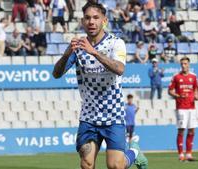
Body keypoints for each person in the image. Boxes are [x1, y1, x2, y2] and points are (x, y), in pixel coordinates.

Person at [52, 2, 145, 169]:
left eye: (96, 17)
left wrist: (94, 52)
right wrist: (67, 54)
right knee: (87, 165)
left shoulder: (116, 43)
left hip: (113, 115)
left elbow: (119, 68)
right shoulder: (77, 48)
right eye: (87, 18)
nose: (91, 22)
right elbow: (56, 74)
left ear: (104, 21)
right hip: (89, 116)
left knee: (115, 166)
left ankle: (134, 153)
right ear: (82, 21)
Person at [168, 56, 198, 162]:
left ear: (189, 64)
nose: (183, 66)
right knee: (181, 130)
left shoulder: (194, 77)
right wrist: (178, 96)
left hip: (192, 107)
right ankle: (181, 154)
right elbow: (170, 90)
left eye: (185, 63)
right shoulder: (176, 77)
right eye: (182, 64)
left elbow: (195, 89)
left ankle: (189, 154)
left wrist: (196, 96)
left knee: (192, 130)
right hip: (181, 107)